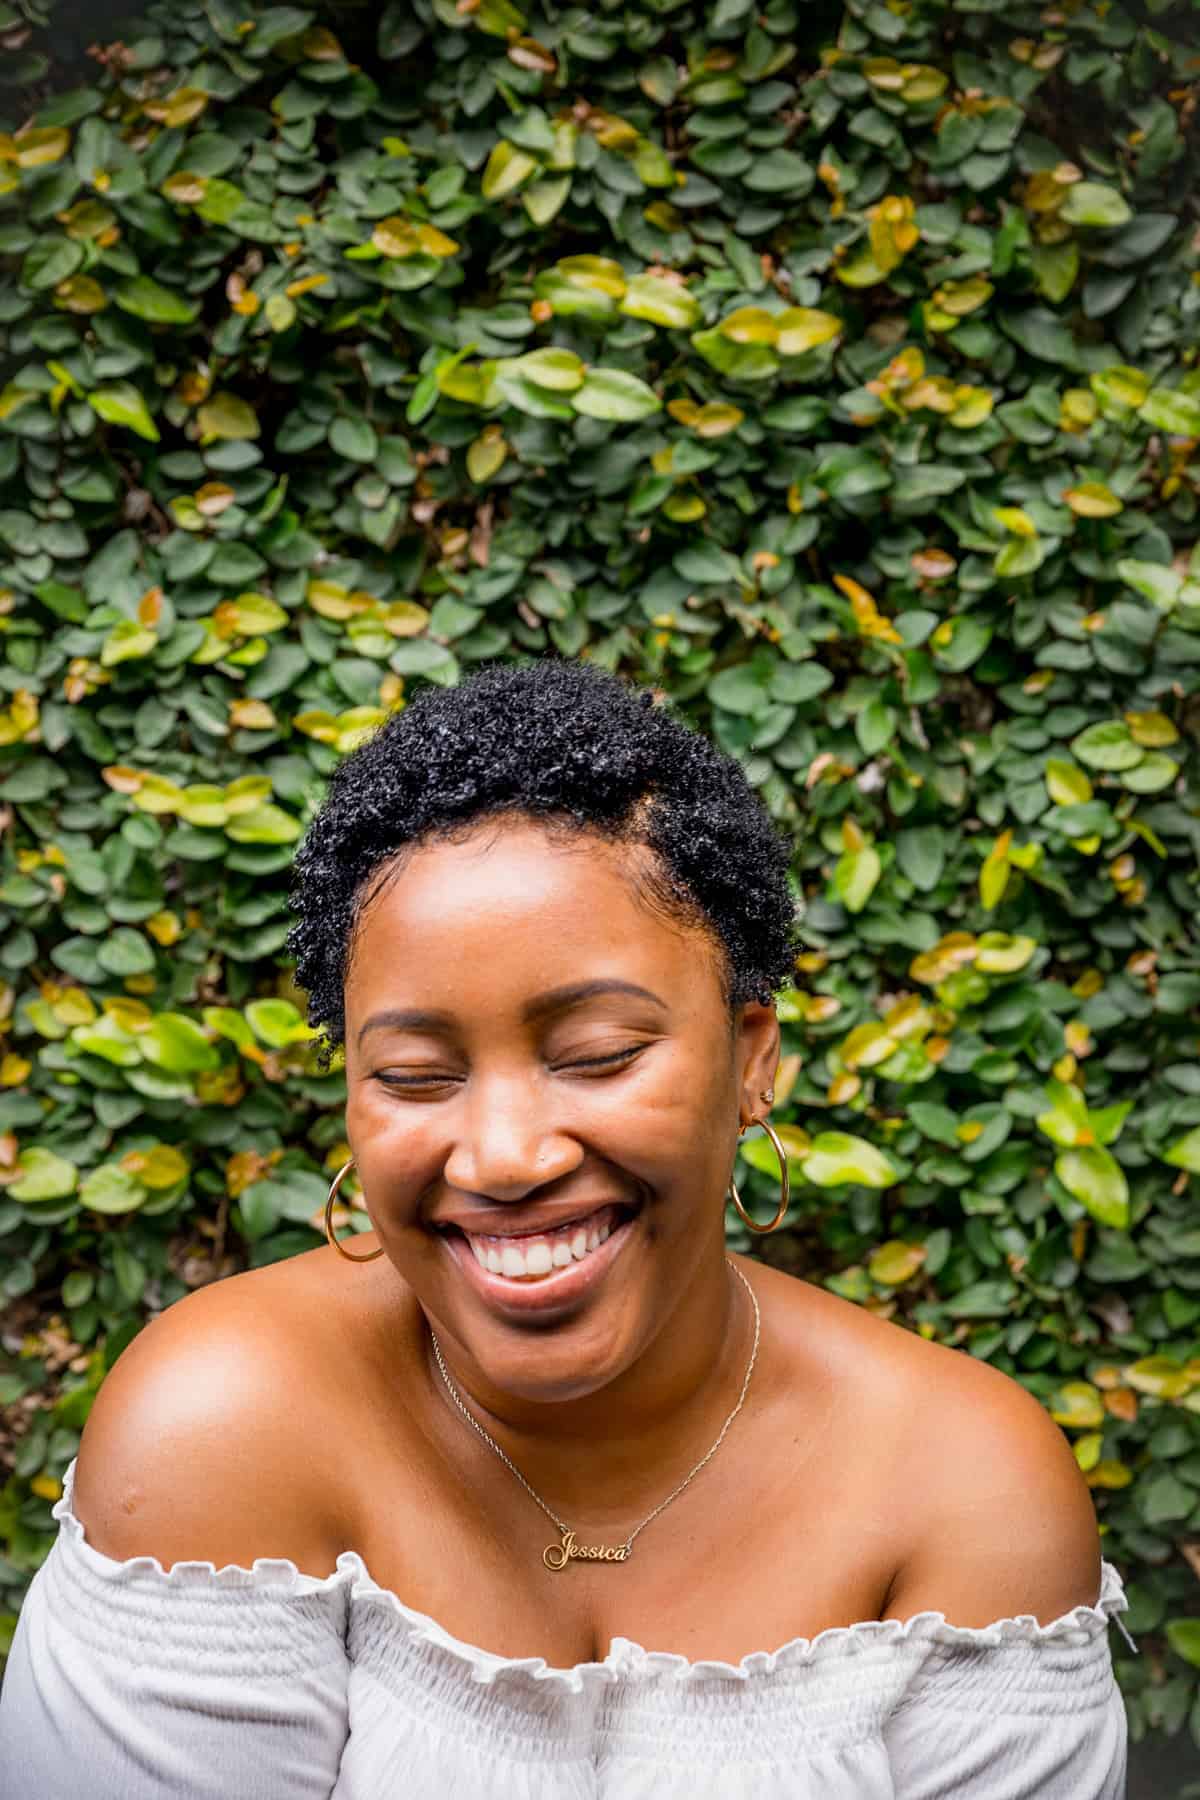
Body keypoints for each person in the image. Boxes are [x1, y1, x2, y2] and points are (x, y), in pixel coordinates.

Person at [0, 657, 1134, 1797]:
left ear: (752, 1060)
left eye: (597, 1055)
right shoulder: (223, 1431)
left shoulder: (963, 1488)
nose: (502, 1157)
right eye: (413, 1073)